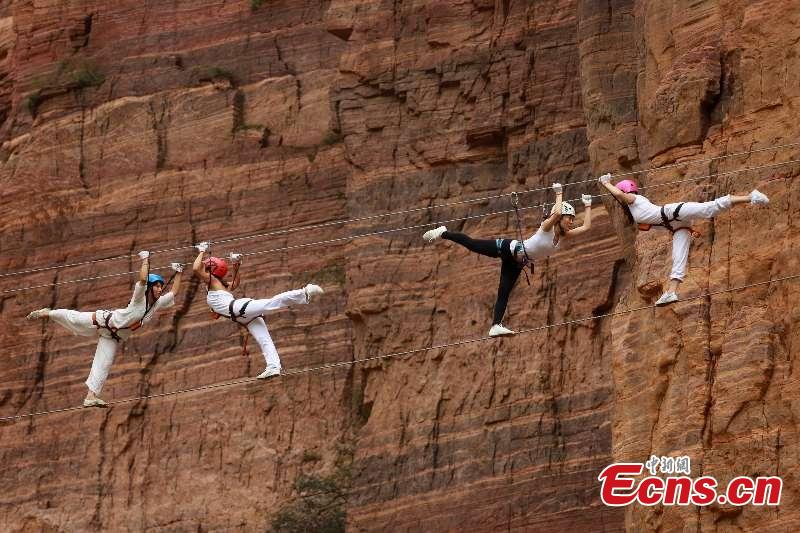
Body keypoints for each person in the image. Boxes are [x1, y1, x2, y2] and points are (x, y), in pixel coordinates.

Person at [422, 183, 593, 337]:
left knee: (503, 293)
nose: (571, 222)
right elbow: (555, 214)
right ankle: (444, 232)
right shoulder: (547, 228)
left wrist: (588, 205)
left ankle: (495, 325)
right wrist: (558, 193)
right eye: (569, 218)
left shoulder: (564, 236)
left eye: (572, 219)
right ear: (561, 218)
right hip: (508, 248)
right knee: (473, 245)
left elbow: (586, 227)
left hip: (517, 263)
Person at [26, 252, 184, 407]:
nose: (159, 289)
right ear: (149, 288)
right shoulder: (139, 298)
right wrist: (145, 259)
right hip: (104, 321)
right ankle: (47, 312)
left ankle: (90, 397)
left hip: (113, 337)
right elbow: (143, 279)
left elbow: (174, 292)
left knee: (104, 364)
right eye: (156, 286)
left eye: (161, 286)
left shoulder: (156, 305)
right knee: (74, 318)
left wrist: (179, 272)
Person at [598, 173, 770, 305]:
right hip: (676, 225)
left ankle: (750, 196)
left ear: (624, 191)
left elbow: (620, 196)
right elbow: (656, 224)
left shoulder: (634, 200)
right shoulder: (635, 210)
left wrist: (606, 183)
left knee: (708, 209)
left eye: (620, 193)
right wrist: (688, 229)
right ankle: (671, 292)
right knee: (678, 257)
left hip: (674, 212)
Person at [192, 243, 324, 379]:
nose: (203, 269)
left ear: (211, 270)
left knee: (271, 303)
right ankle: (273, 367)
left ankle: (305, 292)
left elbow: (196, 268)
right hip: (242, 317)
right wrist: (236, 265)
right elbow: (235, 283)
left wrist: (202, 250)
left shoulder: (212, 280)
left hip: (239, 309)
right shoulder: (218, 284)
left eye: (206, 268)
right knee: (264, 339)